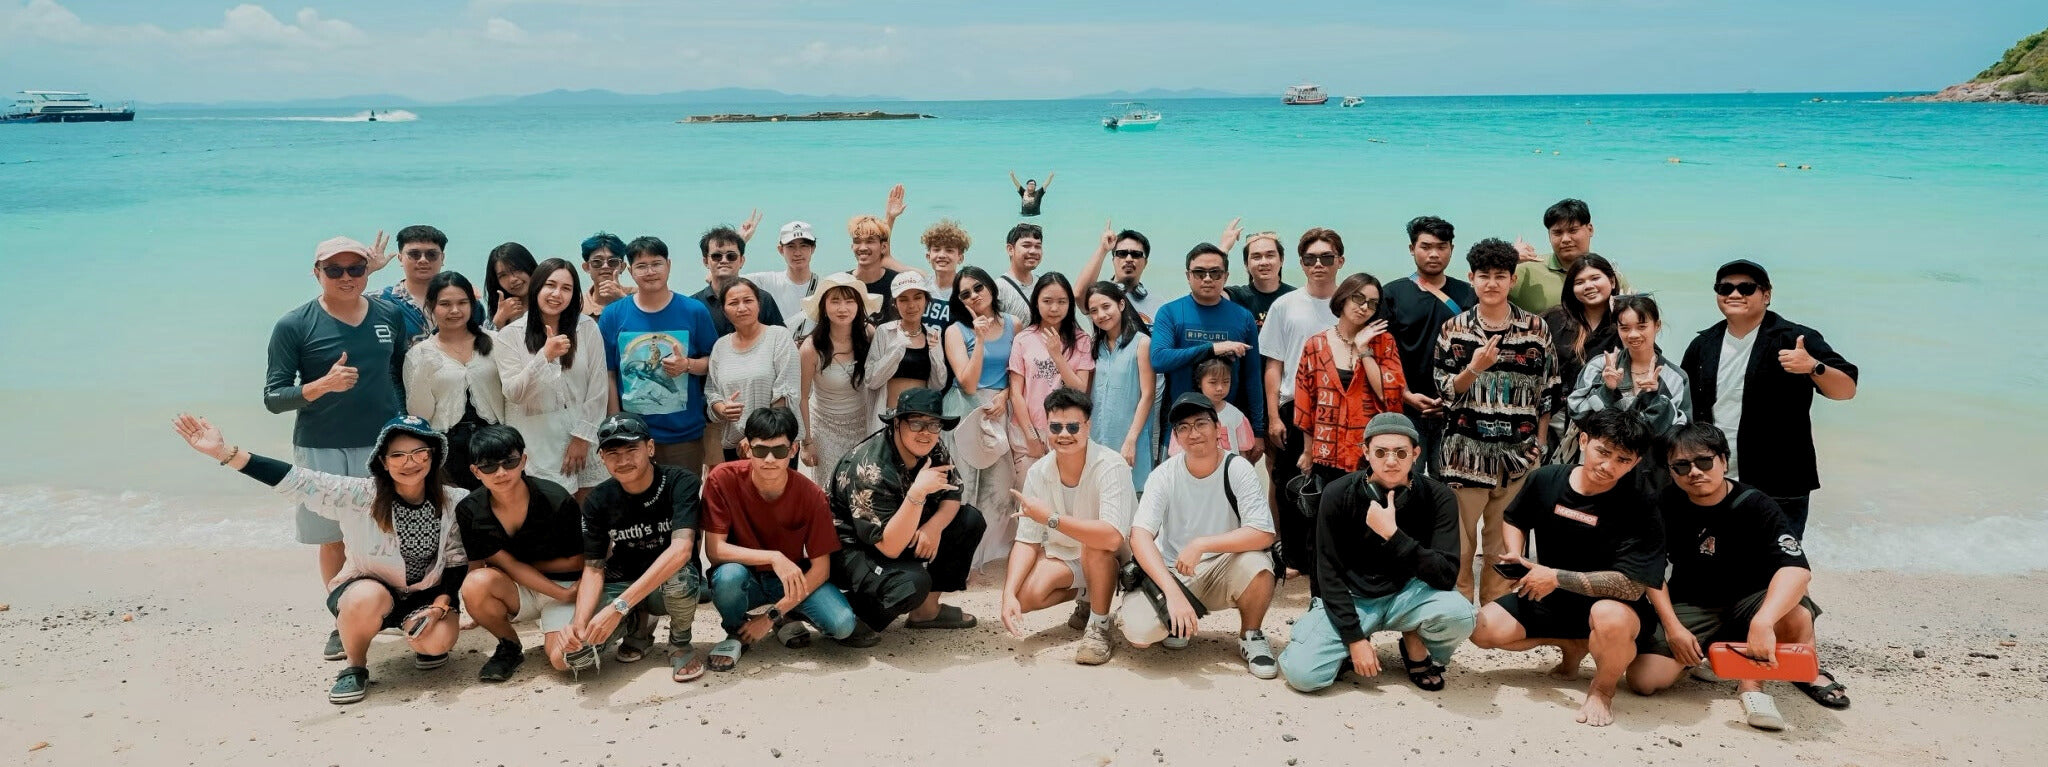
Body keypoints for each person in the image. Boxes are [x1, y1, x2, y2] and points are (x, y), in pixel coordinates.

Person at [172, 413, 466, 704]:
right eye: (398, 455)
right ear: (383, 461)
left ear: (434, 456)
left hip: (425, 596)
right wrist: (224, 452)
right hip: (370, 591)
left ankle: (421, 639)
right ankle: (355, 666)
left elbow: (456, 560)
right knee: (365, 596)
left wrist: (441, 606)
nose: (409, 462)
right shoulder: (359, 495)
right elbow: (296, 480)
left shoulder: (453, 501)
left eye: (419, 453)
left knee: (435, 643)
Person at [1626, 423, 1844, 730]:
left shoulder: (1756, 504)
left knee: (1795, 617)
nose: (1694, 472)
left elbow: (1796, 569)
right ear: (1671, 471)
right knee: (1644, 680)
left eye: (1704, 461)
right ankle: (1713, 655)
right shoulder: (1665, 504)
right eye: (1682, 465)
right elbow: (1650, 570)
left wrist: (1763, 620)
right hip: (1693, 602)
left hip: (1751, 600)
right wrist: (1674, 628)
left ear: (1724, 462)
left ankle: (1751, 686)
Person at [1468, 408, 1666, 727]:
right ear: (1584, 441)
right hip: (1549, 596)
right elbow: (1514, 518)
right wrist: (1517, 555)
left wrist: (1556, 577)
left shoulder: (1641, 502)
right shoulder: (1547, 478)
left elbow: (1633, 585)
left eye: (1622, 460)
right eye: (1603, 451)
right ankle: (1572, 644)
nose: (1608, 465)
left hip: (1615, 607)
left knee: (1609, 618)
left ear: (1637, 462)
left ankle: (1602, 690)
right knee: (1482, 629)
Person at [267, 234, 411, 660]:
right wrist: (320, 386)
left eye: (356, 269)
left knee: (388, 531)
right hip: (321, 447)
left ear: (368, 272)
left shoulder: (389, 314)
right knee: (332, 540)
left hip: (382, 446)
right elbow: (274, 397)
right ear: (317, 273)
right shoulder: (294, 325)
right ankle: (341, 619)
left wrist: (404, 432)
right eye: (334, 270)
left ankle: (394, 609)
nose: (346, 277)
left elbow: (399, 375)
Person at [1278, 413, 1475, 693]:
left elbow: (1445, 575)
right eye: (1381, 452)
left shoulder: (1439, 496)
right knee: (1303, 675)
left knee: (1462, 615)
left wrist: (1393, 536)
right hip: (1351, 598)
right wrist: (1355, 639)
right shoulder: (1337, 493)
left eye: (1401, 452)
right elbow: (1327, 574)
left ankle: (1414, 642)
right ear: (1366, 453)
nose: (1391, 461)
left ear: (1416, 454)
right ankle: (1345, 646)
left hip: (1406, 596)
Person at [1680, 260, 1858, 537]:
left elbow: (1846, 390)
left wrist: (1813, 366)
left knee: (1780, 566)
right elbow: (1685, 408)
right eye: (1725, 287)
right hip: (1714, 476)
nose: (1734, 294)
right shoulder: (1703, 344)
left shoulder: (1795, 339)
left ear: (1766, 295)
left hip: (1781, 480)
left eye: (1746, 288)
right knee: (1716, 564)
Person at [1434, 237, 1562, 605]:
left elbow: (1548, 389)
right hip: (1464, 452)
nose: (1492, 283)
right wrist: (1474, 368)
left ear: (1512, 279)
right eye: (1484, 276)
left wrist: (1538, 442)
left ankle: (1495, 612)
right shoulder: (1454, 329)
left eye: (1500, 276)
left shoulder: (1535, 329)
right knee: (1458, 544)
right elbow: (1444, 391)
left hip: (1517, 453)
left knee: (1503, 543)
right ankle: (1456, 611)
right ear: (1471, 277)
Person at [1120, 393, 1279, 678]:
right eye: (1183, 427)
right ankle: (1180, 621)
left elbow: (1264, 532)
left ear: (1218, 428)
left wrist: (1203, 543)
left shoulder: (1238, 469)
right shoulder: (1164, 475)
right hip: (1176, 572)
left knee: (1258, 564)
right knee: (1139, 633)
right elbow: (1140, 535)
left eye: (1201, 424)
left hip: (1224, 567)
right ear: (1177, 437)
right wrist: (1171, 593)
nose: (1193, 433)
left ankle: (1251, 635)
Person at [704, 406, 872, 670]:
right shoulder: (721, 479)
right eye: (760, 450)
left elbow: (821, 569)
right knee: (728, 577)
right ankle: (738, 632)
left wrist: (771, 616)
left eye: (779, 451)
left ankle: (784, 614)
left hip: (789, 581)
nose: (769, 459)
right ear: (747, 448)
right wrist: (773, 557)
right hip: (745, 579)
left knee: (842, 625)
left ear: (793, 451)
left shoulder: (812, 495)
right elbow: (714, 550)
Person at [827, 387, 988, 633]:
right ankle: (843, 616)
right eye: (916, 423)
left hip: (898, 532)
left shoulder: (932, 447)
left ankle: (926, 612)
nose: (926, 432)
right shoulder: (870, 468)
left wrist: (933, 528)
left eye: (933, 424)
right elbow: (888, 547)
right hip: (852, 548)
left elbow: (953, 493)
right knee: (911, 585)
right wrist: (917, 493)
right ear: (897, 423)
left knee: (969, 520)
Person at [1001, 388, 1135, 665]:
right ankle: (1090, 594)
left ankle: (1099, 626)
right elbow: (1027, 541)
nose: (1064, 434)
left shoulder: (1111, 465)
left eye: (1073, 426)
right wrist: (1007, 595)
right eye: (1056, 427)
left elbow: (1111, 538)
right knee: (1024, 597)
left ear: (1088, 426)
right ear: (1046, 427)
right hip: (1068, 556)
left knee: (1094, 544)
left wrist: (1051, 518)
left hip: (1116, 557)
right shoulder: (1038, 472)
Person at [573, 413, 708, 682]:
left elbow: (681, 551)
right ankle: (639, 627)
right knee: (579, 657)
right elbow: (593, 569)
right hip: (623, 581)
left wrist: (619, 607)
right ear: (601, 458)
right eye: (612, 453)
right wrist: (579, 624)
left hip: (666, 584)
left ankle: (680, 642)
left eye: (631, 449)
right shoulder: (597, 500)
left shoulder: (680, 482)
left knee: (681, 578)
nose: (622, 461)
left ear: (650, 448)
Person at [453, 425, 588, 681]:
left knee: (565, 661)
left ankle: (611, 624)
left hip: (567, 586)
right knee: (475, 584)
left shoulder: (556, 499)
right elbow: (480, 565)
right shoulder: (470, 509)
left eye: (509, 462)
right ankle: (509, 646)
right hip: (530, 590)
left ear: (523, 460)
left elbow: (579, 559)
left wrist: (518, 567)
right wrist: (471, 606)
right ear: (475, 471)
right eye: (489, 466)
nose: (501, 472)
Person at [1258, 227, 1343, 574]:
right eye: (1310, 259)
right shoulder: (1285, 305)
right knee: (1289, 483)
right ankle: (1293, 557)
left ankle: (1332, 558)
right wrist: (1272, 416)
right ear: (1301, 263)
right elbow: (1274, 364)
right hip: (1293, 406)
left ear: (1340, 260)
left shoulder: (1349, 304)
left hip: (1340, 407)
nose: (1318, 264)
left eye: (1326, 257)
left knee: (1336, 485)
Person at [1291, 272, 1406, 520]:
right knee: (1328, 526)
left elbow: (1390, 395)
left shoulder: (1383, 342)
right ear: (1343, 298)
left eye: (1372, 303)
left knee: (1369, 526)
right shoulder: (1316, 344)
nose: (1364, 307)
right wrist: (1308, 451)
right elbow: (1306, 402)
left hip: (1368, 453)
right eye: (1358, 298)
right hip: (1326, 451)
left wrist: (1364, 350)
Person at [599, 236, 718, 474]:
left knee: (683, 504)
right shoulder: (612, 315)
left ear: (669, 265)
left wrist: (687, 365)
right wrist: (617, 424)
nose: (650, 271)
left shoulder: (694, 311)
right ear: (630, 270)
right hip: (633, 437)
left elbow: (713, 364)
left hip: (684, 435)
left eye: (656, 263)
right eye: (641, 266)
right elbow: (609, 374)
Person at [497, 259, 611, 496]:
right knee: (552, 520)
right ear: (537, 286)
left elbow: (598, 388)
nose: (557, 294)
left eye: (566, 288)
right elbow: (514, 393)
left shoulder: (587, 327)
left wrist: (583, 438)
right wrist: (544, 357)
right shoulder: (510, 336)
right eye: (550, 285)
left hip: (585, 439)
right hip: (539, 445)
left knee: (589, 520)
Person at [1151, 243, 1266, 460]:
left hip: (1226, 429)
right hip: (1180, 426)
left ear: (1226, 276)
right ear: (1188, 275)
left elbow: (1252, 377)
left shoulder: (1242, 317)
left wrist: (1258, 431)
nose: (1207, 278)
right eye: (1199, 272)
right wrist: (1213, 348)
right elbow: (1159, 359)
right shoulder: (1170, 312)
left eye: (1215, 272)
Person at [1384, 216, 1478, 475]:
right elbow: (1381, 354)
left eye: (1442, 246)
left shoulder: (1468, 294)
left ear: (1451, 249)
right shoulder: (1392, 294)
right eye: (1426, 247)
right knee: (1403, 483)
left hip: (1457, 411)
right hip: (1405, 408)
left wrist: (1451, 397)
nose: (1434, 254)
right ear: (1412, 249)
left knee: (1449, 488)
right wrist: (1405, 395)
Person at [1568, 295, 1691, 490]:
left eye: (1642, 326)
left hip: (1650, 478)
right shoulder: (1600, 366)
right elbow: (1578, 415)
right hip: (1598, 472)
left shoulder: (1674, 377)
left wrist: (1653, 398)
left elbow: (1677, 436)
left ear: (1656, 325)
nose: (1633, 334)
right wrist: (1607, 390)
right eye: (1624, 328)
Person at [943, 266, 1022, 560]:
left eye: (978, 288)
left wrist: (1005, 395)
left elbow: (1018, 372)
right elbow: (967, 381)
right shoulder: (955, 330)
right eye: (965, 293)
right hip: (964, 409)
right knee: (964, 485)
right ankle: (959, 558)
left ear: (990, 287)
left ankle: (989, 555)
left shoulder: (1014, 324)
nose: (974, 296)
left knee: (1000, 486)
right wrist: (979, 338)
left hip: (999, 408)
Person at [403, 271, 505, 490]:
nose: (455, 310)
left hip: (498, 446)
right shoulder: (419, 353)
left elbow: (512, 396)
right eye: (445, 304)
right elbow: (419, 416)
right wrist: (423, 372)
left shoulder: (496, 342)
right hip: (448, 452)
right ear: (431, 306)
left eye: (462, 302)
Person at [1007, 273, 1095, 479]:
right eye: (1047, 301)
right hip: (1027, 431)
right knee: (1028, 499)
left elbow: (1081, 389)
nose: (1054, 308)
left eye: (1062, 302)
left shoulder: (1081, 340)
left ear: (1070, 304)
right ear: (1036, 302)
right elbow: (1016, 393)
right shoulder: (1023, 339)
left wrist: (1057, 356)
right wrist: (1030, 436)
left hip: (1068, 432)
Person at [704, 278, 802, 463]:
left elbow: (785, 393)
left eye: (748, 300)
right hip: (736, 447)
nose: (742, 308)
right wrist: (722, 409)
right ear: (724, 310)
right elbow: (712, 392)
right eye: (733, 303)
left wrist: (755, 437)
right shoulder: (720, 346)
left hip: (776, 445)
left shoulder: (778, 337)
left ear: (759, 304)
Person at [1541, 254, 1622, 465]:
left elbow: (1647, 354)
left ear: (1612, 281)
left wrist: (1625, 312)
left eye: (1595, 278)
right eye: (1579, 282)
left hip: (1600, 421)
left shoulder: (1623, 324)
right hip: (1552, 418)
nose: (1588, 286)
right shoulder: (1554, 319)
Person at [799, 275, 879, 483]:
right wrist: (807, 442)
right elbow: (802, 397)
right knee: (830, 487)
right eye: (835, 301)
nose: (842, 308)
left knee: (864, 486)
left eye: (849, 301)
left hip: (863, 425)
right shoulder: (811, 347)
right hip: (825, 427)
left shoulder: (869, 334)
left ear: (859, 306)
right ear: (823, 307)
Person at [1082, 281, 1158, 491]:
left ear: (1121, 305)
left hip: (1130, 441)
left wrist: (1131, 440)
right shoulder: (1094, 346)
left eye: (1106, 306)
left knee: (1133, 503)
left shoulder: (1142, 343)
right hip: (1097, 439)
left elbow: (1148, 395)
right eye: (1094, 311)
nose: (1101, 315)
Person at [1509, 199, 1630, 314]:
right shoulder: (1524, 272)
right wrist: (1508, 259)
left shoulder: (1609, 276)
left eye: (1573, 230)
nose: (1565, 239)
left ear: (1590, 229)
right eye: (1557, 233)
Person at [867, 271, 951, 414]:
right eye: (903, 300)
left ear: (926, 300)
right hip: (889, 416)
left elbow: (938, 385)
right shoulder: (885, 331)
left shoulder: (932, 334)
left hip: (922, 417)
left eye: (917, 298)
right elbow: (871, 380)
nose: (911, 305)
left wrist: (935, 353)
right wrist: (896, 349)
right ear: (895, 303)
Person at [694, 226, 787, 337]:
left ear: (742, 261)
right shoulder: (693, 305)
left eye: (731, 256)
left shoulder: (763, 299)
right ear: (705, 261)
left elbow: (781, 340)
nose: (724, 260)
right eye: (716, 256)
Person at [1075, 223, 1167, 322]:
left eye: (1136, 254)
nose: (1129, 259)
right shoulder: (1100, 295)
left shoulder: (1160, 304)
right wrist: (1103, 249)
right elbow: (1079, 294)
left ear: (1145, 263)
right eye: (1122, 253)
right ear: (1113, 260)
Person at [1167, 358, 1258, 458]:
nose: (1220, 388)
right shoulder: (1186, 413)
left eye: (1225, 382)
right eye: (1213, 382)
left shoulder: (1236, 415)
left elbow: (1242, 452)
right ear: (1199, 382)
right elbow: (1176, 454)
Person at [744, 221, 821, 338]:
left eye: (804, 246)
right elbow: (726, 282)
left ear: (813, 248)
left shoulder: (824, 287)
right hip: (776, 353)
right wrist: (741, 240)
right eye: (791, 246)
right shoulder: (766, 282)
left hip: (811, 353)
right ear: (780, 249)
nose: (798, 253)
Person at [374, 224, 448, 342]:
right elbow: (339, 307)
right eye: (414, 254)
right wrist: (366, 270)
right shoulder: (380, 301)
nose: (423, 260)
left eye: (431, 254)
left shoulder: (464, 302)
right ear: (400, 258)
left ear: (442, 258)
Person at [1224, 227, 1297, 328]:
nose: (1264, 262)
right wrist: (1224, 249)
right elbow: (1208, 294)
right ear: (1246, 264)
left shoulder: (1295, 297)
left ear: (1281, 260)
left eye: (1270, 255)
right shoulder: (1237, 296)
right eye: (1256, 257)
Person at [841, 214, 901, 324]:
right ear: (852, 247)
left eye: (870, 241)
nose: (863, 247)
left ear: (883, 247)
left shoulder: (898, 283)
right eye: (857, 241)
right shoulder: (842, 283)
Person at [915, 219, 972, 329]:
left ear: (960, 258)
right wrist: (890, 217)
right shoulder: (921, 285)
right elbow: (887, 260)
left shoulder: (966, 291)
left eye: (949, 250)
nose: (942, 255)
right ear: (928, 256)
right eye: (936, 249)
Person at [995, 223, 1044, 323]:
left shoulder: (1043, 284)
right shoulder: (999, 289)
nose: (1033, 251)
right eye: (1026, 245)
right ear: (1010, 249)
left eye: (1038, 246)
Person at [579, 232, 635, 319]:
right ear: (586, 267)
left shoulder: (640, 295)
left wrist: (622, 298)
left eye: (612, 261)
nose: (605, 266)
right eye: (597, 261)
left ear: (622, 267)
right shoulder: (577, 305)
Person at [484, 242, 538, 332]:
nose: (512, 279)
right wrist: (499, 320)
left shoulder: (549, 300)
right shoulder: (497, 311)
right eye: (503, 275)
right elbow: (485, 345)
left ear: (529, 266)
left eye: (517, 269)